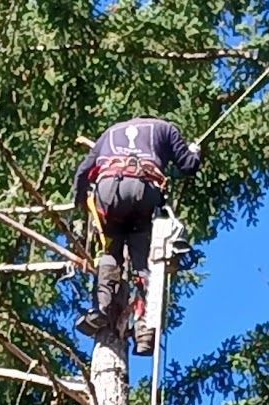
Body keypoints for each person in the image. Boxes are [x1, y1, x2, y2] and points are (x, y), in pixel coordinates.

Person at [72, 116, 201, 354]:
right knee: (143, 264)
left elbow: (82, 172)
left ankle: (101, 309)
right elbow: (188, 165)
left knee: (109, 251)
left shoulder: (110, 132)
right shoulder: (166, 129)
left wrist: (78, 205)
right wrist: (195, 151)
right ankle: (145, 331)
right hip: (144, 192)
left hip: (109, 193)